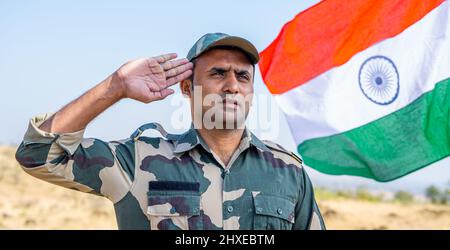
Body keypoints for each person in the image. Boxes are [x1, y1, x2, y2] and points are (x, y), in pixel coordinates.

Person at [15, 32, 325, 230]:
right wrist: (116, 86)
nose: (232, 86)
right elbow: (39, 154)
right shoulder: (138, 160)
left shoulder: (287, 170)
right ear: (188, 88)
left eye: (243, 77)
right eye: (218, 73)